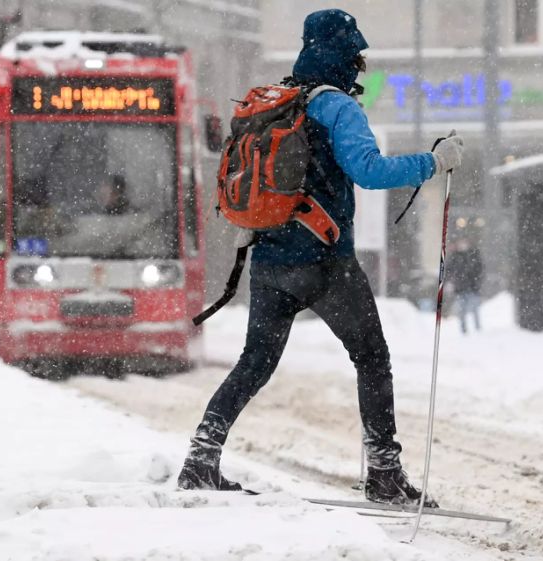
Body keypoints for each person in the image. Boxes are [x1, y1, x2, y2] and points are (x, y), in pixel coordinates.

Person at [176, 9, 464, 507]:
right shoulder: (337, 109)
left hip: (268, 259)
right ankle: (384, 473)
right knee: (372, 357)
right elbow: (369, 172)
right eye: (359, 57)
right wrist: (434, 162)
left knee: (254, 362)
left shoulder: (277, 102)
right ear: (347, 55)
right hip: (324, 262)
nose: (361, 67)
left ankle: (200, 460)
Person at [447, 238, 484, 334]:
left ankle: (477, 329)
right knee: (462, 311)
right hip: (460, 289)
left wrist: (477, 283)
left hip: (473, 288)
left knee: (474, 309)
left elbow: (479, 270)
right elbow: (449, 270)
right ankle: (464, 330)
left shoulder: (474, 255)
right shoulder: (455, 257)